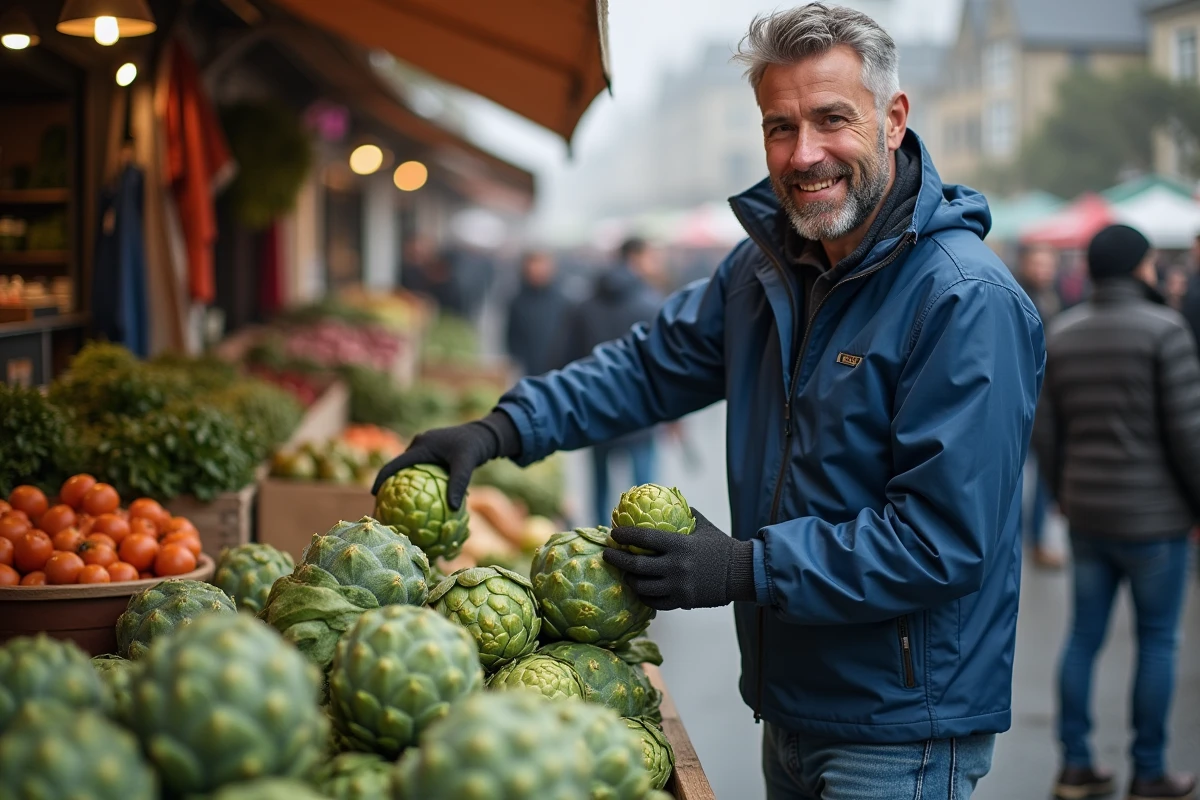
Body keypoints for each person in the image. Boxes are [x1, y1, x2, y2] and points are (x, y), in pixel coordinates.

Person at [374, 5, 1044, 798]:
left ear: (893, 119)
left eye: (832, 119)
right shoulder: (765, 270)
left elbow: (941, 541)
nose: (804, 153)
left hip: (901, 731)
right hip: (790, 704)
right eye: (780, 127)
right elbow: (646, 369)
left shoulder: (963, 299)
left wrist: (746, 567)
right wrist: (504, 428)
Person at [1034, 224, 1198, 800]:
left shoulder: (1064, 332)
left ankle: (1075, 765)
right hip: (1157, 521)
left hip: (1087, 516)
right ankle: (1148, 771)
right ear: (1137, 267)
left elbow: (1045, 433)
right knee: (1157, 641)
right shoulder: (1166, 330)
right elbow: (1189, 435)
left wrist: (1062, 492)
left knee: (1082, 638)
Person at [555, 237, 666, 526]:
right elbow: (665, 364)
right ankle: (649, 542)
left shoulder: (584, 305)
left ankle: (599, 537)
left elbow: (567, 359)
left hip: (596, 407)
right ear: (635, 257)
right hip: (642, 409)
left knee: (599, 484)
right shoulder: (651, 304)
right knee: (647, 493)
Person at [1016, 244, 1064, 568]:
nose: (1043, 270)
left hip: (1045, 398)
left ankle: (1034, 540)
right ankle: (1027, 541)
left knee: (1041, 474)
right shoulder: (1022, 296)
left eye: (1048, 264)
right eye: (1038, 264)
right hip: (1028, 397)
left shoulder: (1049, 297)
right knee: (1023, 474)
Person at [504, 250, 569, 377]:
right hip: (528, 368)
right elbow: (512, 336)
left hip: (556, 368)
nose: (538, 271)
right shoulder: (517, 301)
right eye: (534, 267)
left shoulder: (563, 301)